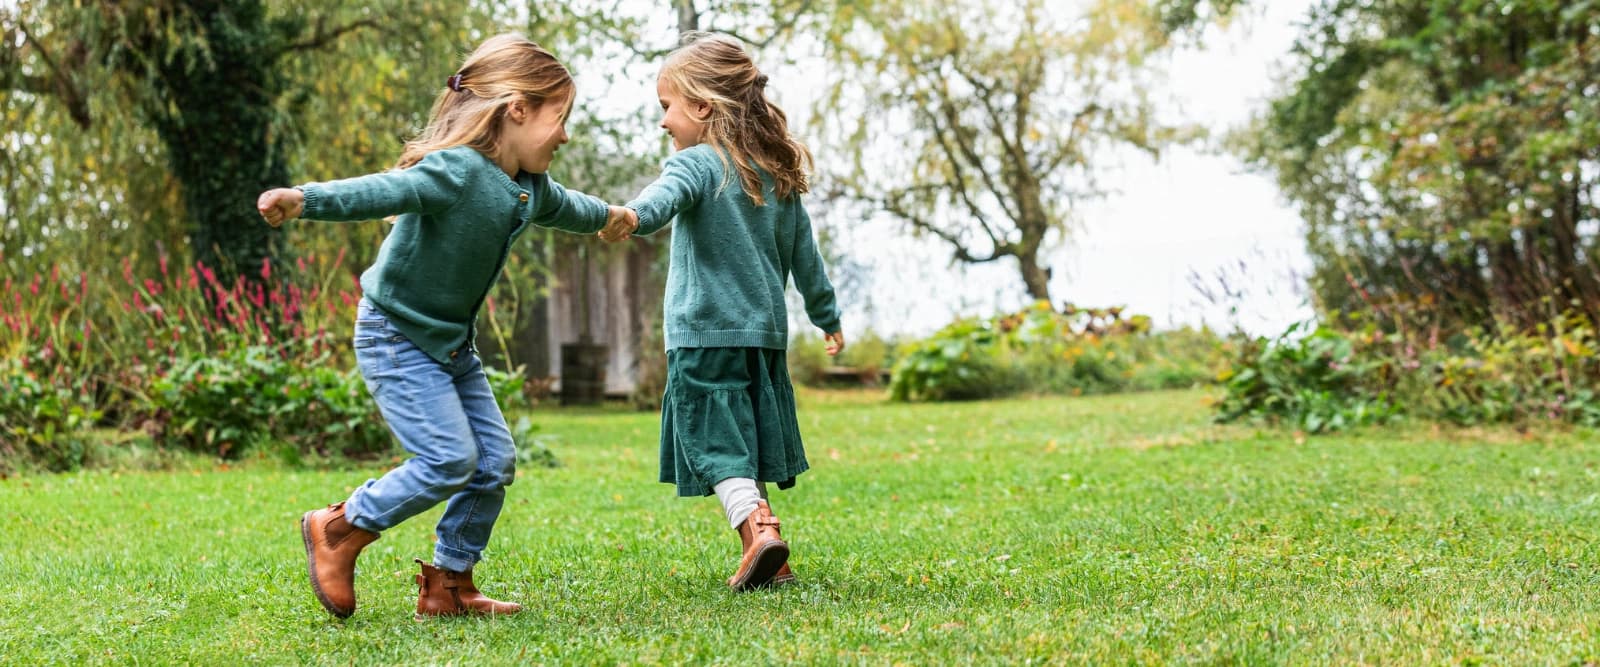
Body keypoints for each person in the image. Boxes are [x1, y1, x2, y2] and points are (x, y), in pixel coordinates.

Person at [257, 33, 630, 619]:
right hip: (395, 335)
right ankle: (339, 528)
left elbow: (571, 207)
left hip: (451, 346)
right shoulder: (455, 170)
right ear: (517, 110)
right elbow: (385, 189)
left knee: (493, 461)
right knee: (448, 460)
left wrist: (614, 215)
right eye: (560, 118)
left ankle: (449, 586)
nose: (565, 134)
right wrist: (305, 199)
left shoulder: (529, 186)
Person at [598, 31, 844, 591]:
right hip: (762, 337)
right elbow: (807, 259)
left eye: (668, 107)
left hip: (703, 332)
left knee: (714, 440)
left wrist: (629, 217)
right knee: (744, 441)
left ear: (703, 107)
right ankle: (770, 558)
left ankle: (758, 529)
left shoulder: (698, 163)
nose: (664, 122)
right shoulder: (774, 172)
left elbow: (656, 204)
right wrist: (827, 317)